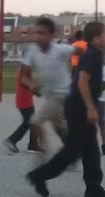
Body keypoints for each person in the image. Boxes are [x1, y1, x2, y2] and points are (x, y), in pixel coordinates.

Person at [26, 22, 105, 197]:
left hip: (77, 106)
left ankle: (93, 188)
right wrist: (91, 109)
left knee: (90, 149)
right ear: (97, 38)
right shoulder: (91, 55)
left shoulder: (94, 54)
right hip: (78, 108)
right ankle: (39, 176)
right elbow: (82, 82)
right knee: (72, 151)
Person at [21, 17, 76, 152]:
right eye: (35, 33)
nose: (38, 37)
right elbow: (24, 76)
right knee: (59, 128)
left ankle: (43, 158)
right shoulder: (31, 52)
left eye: (42, 33)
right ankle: (73, 153)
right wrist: (31, 84)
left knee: (35, 121)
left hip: (64, 94)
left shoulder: (61, 50)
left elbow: (82, 52)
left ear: (52, 35)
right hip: (50, 95)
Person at [3, 66, 39, 153]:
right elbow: (23, 81)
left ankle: (33, 145)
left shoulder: (24, 67)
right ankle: (12, 140)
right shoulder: (25, 67)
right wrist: (33, 87)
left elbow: (26, 83)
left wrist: (34, 90)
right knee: (29, 122)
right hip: (24, 100)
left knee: (32, 122)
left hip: (25, 99)